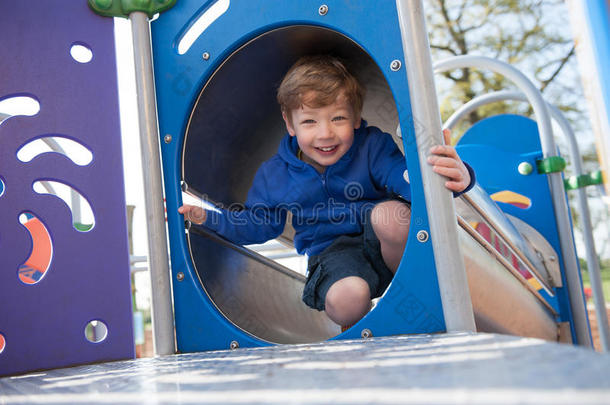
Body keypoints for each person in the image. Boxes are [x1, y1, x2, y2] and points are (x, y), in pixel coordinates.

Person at [179, 55, 475, 329]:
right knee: (348, 299)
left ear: (357, 117)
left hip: (385, 246)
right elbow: (259, 225)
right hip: (332, 256)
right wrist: (210, 218)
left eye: (338, 119)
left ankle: (413, 287)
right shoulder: (275, 174)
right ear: (289, 122)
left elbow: (407, 182)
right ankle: (361, 336)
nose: (325, 134)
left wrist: (449, 177)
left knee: (392, 215)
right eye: (309, 121)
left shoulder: (371, 146)